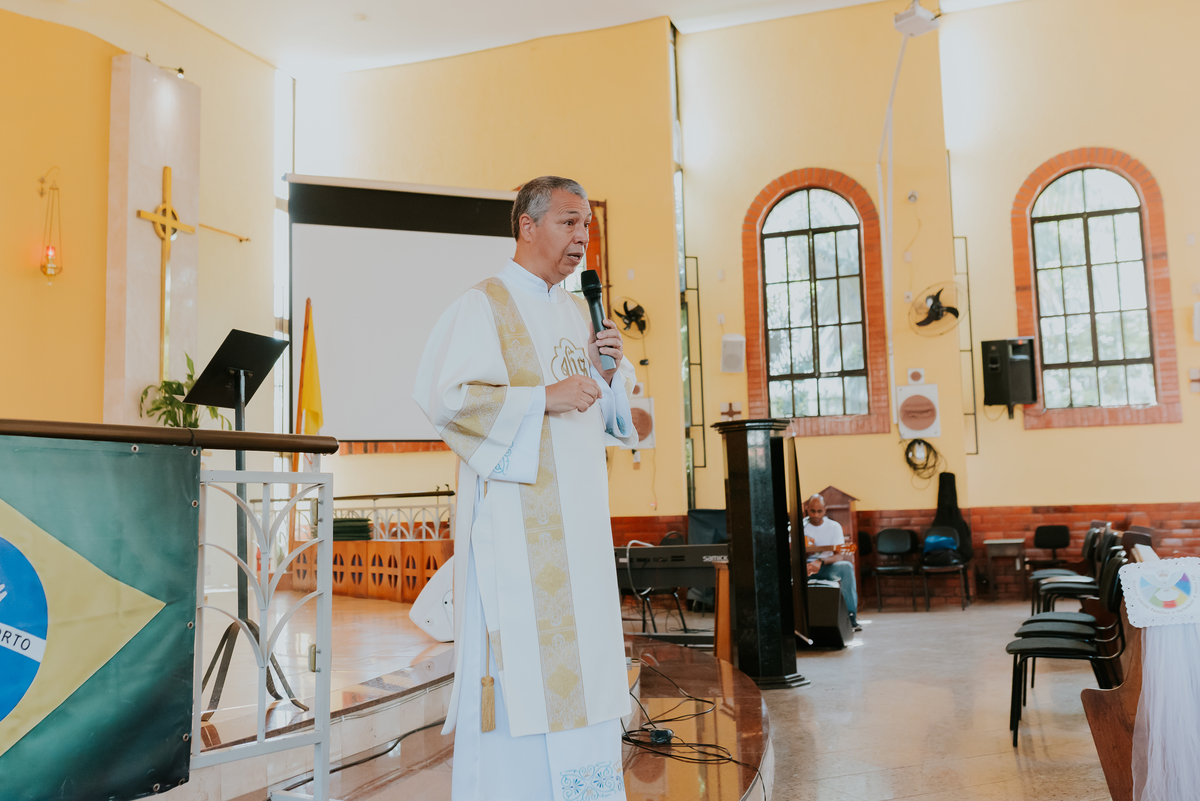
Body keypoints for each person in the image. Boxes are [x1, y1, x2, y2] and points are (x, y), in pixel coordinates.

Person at [412, 175, 638, 801]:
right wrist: (545, 398)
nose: (581, 237)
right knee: (527, 674)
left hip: (583, 532)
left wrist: (610, 374)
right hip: (521, 531)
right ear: (526, 225)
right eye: (568, 222)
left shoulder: (577, 312)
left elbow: (621, 422)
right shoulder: (481, 306)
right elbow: (449, 403)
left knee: (586, 669)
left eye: (587, 225)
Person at [804, 493, 861, 632]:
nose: (816, 515)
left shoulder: (834, 527)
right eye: (813, 511)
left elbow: (839, 556)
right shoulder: (799, 527)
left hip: (825, 568)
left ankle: (850, 616)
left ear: (825, 509)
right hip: (803, 569)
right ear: (807, 509)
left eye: (820, 511)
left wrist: (820, 561)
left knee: (846, 567)